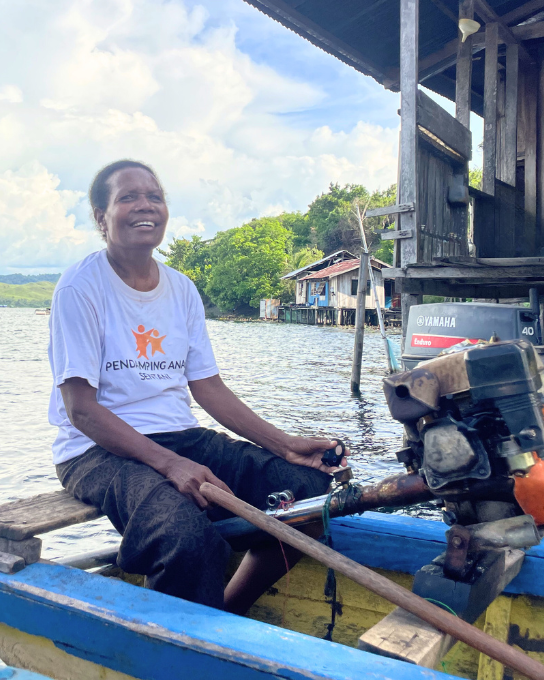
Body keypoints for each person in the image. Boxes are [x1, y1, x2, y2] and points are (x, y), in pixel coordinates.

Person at [48, 159, 347, 613]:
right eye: (127, 197)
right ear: (100, 217)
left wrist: (285, 445)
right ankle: (179, 646)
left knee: (308, 497)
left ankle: (222, 614)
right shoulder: (80, 288)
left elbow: (207, 387)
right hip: (95, 451)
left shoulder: (181, 288)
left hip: (178, 437)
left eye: (155, 196)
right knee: (186, 539)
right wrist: (171, 465)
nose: (145, 206)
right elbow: (81, 411)